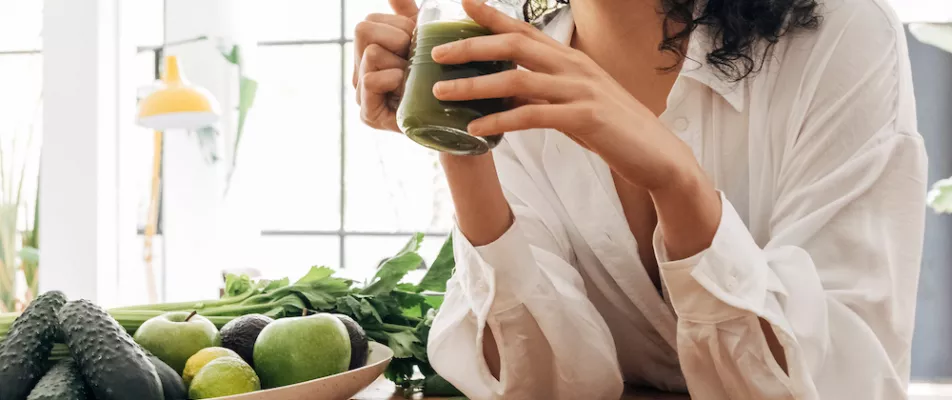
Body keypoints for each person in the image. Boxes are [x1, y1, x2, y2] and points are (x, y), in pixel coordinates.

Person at [353, 0, 927, 398]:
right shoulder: (505, 53)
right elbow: (539, 387)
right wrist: (453, 127)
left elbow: (847, 379)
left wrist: (680, 186)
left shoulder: (841, 32)